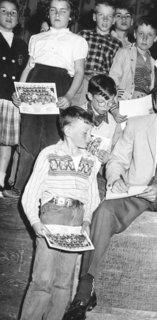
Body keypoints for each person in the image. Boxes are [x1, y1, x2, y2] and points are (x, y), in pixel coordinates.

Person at [63, 81, 157, 320]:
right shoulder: (137, 124)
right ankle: (85, 290)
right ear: (153, 104)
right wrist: (116, 178)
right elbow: (117, 159)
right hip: (135, 191)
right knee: (104, 213)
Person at [19, 106, 100, 320]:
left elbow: (93, 196)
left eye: (90, 132)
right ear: (67, 130)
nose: (89, 136)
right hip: (52, 215)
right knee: (42, 280)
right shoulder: (49, 154)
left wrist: (87, 219)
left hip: (76, 219)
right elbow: (30, 194)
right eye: (85, 132)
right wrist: (36, 223)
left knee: (64, 282)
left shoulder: (91, 160)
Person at [3, 0, 88, 198]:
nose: (57, 14)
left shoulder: (77, 41)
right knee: (28, 138)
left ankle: (50, 189)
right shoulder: (36, 38)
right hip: (34, 87)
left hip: (59, 88)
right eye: (53, 10)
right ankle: (20, 186)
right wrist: (20, 92)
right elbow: (28, 68)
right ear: (47, 13)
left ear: (71, 15)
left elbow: (79, 72)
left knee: (54, 137)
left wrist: (68, 96)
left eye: (63, 10)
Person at [71, 0, 121, 106]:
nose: (105, 19)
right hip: (82, 81)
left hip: (103, 86)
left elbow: (117, 69)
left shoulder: (117, 44)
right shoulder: (83, 35)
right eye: (101, 15)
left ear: (114, 20)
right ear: (94, 17)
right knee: (77, 112)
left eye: (109, 16)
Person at [0, 0, 28, 190]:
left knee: (6, 144)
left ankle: (0, 183)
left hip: (11, 100)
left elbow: (25, 74)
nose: (9, 16)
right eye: (3, 12)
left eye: (13, 13)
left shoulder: (21, 44)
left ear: (18, 18)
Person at [109, 16, 157, 101]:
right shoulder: (124, 52)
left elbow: (152, 87)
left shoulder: (153, 62)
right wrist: (117, 98)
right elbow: (113, 78)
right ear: (135, 34)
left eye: (149, 35)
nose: (144, 38)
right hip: (126, 99)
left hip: (145, 103)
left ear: (156, 38)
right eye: (141, 33)